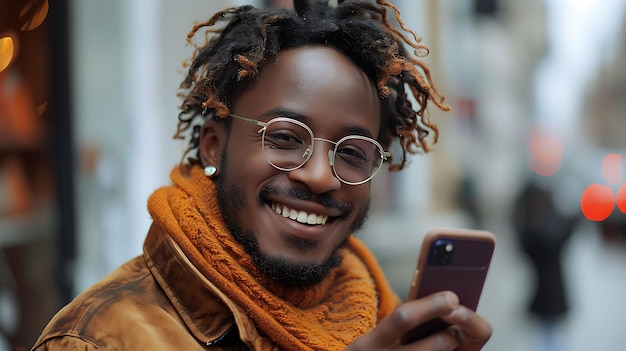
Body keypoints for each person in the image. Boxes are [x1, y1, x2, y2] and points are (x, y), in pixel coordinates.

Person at [32, 0, 492, 350]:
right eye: (286, 138)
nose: (318, 177)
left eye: (352, 152)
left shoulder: (381, 317)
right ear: (214, 144)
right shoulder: (98, 337)